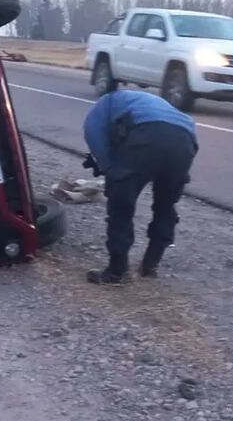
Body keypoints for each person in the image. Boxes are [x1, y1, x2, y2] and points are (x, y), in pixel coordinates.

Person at [82, 90, 198, 284]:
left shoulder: (101, 109)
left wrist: (109, 170)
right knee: (165, 205)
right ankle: (150, 266)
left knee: (121, 204)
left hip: (148, 134)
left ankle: (116, 272)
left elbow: (93, 135)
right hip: (185, 139)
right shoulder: (134, 102)